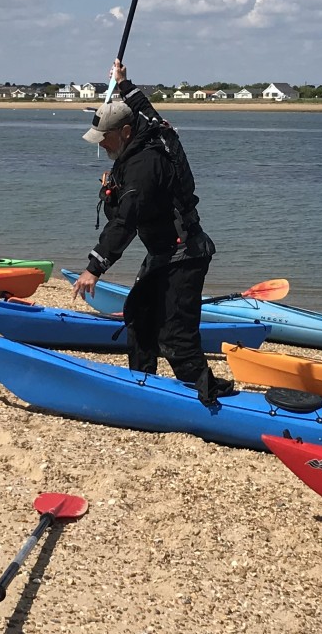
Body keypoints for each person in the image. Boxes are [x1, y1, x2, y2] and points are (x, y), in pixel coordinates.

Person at [72, 61, 232, 403]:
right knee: (139, 316)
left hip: (185, 254)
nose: (103, 147)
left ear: (127, 132)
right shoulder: (153, 131)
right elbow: (146, 109)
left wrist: (94, 267)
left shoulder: (145, 166)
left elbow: (125, 221)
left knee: (176, 336)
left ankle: (206, 397)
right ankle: (141, 384)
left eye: (106, 140)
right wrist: (124, 83)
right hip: (164, 253)